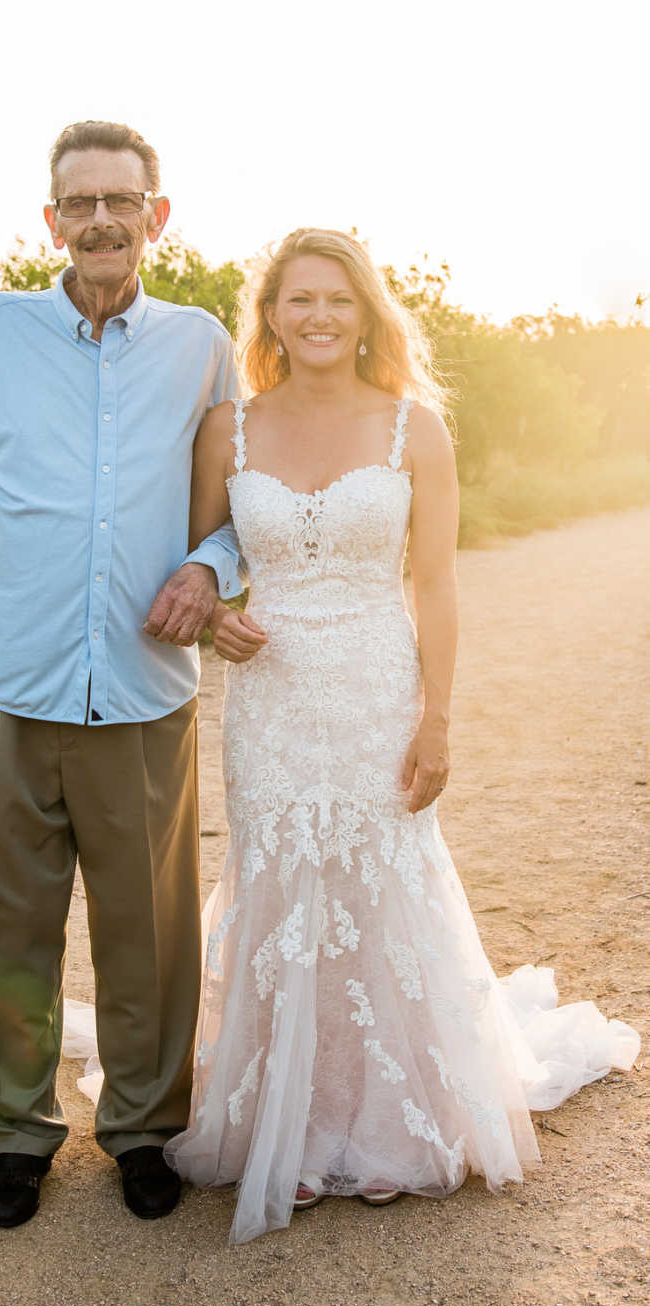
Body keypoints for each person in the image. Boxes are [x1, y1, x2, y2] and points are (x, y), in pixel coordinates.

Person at [161, 228, 640, 1245]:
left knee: (381, 879)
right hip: (274, 698)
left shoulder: (413, 427)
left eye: (338, 299)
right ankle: (281, 1122)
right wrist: (213, 615)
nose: (319, 316)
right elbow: (203, 560)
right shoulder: (228, 431)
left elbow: (435, 582)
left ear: (367, 312)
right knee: (284, 881)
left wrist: (440, 717)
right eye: (299, 300)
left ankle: (385, 1120)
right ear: (273, 316)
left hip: (377, 684)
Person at [0, 120, 242, 1228]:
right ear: (49, 219)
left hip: (147, 691)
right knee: (8, 926)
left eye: (121, 200)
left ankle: (145, 1128)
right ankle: (16, 1133)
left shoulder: (201, 344)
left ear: (158, 215)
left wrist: (207, 566)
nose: (100, 220)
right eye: (78, 203)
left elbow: (240, 508)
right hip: (10, 686)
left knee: (150, 928)